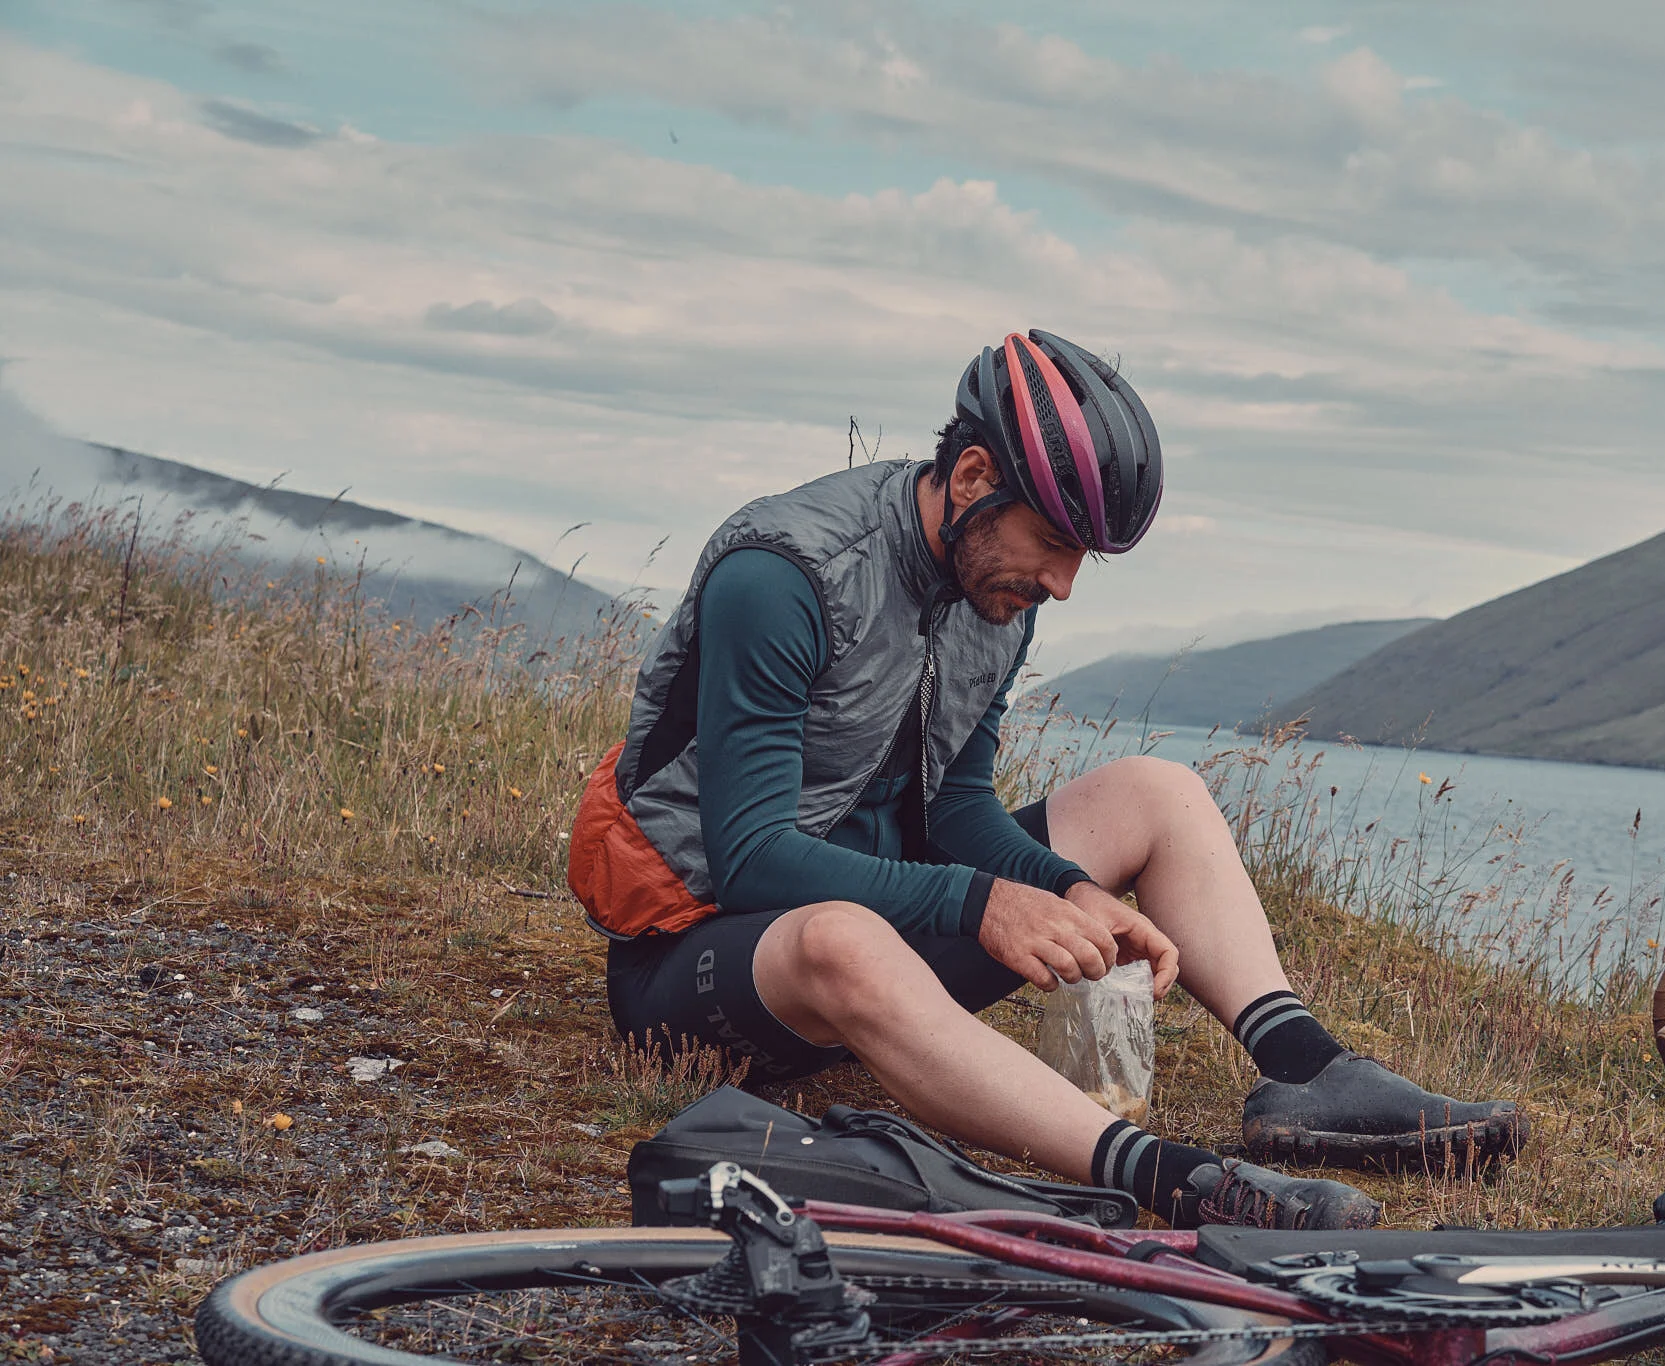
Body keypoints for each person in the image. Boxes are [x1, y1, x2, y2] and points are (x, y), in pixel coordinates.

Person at [570, 329, 1527, 1231]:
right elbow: (748, 859)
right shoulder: (783, 575)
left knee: (1155, 792)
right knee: (841, 938)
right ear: (976, 476)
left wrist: (1067, 892)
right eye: (1056, 545)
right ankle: (1176, 1178)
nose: (1063, 586)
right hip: (702, 966)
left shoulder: (995, 589)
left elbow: (954, 806)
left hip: (887, 930)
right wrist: (987, 905)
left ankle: (1308, 1070)